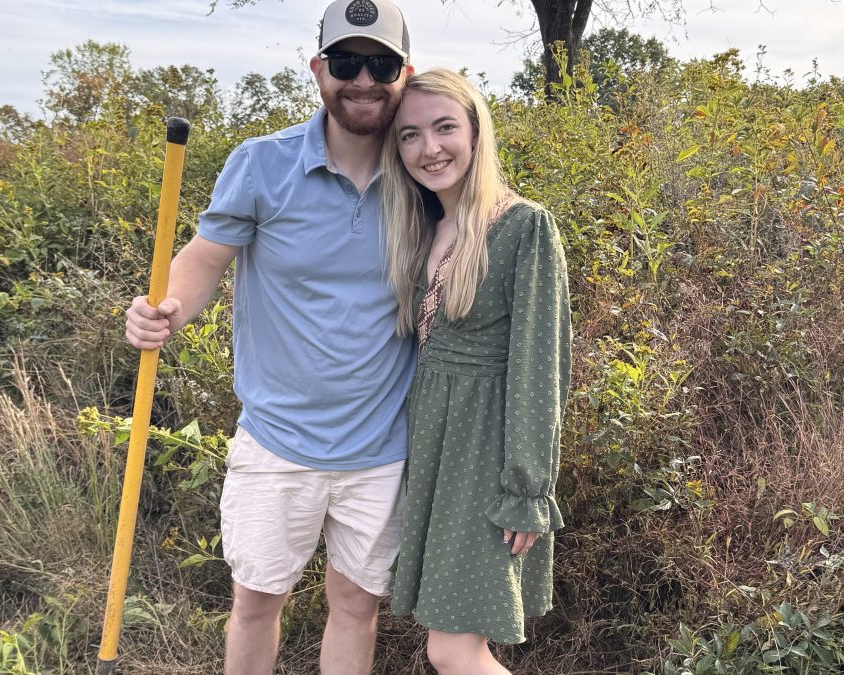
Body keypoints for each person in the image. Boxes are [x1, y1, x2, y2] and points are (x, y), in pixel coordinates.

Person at [123, 2, 416, 673]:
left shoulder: (423, 173)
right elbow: (203, 258)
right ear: (318, 71)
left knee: (357, 606)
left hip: (381, 448)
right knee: (256, 600)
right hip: (277, 440)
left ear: (405, 73)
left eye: (381, 64)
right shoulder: (261, 165)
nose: (363, 79)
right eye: (346, 62)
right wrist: (163, 308)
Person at [379, 69, 572, 674]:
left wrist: (527, 489)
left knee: (453, 648)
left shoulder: (522, 226)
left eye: (444, 128)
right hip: (433, 447)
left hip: (485, 455)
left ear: (475, 132)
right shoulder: (423, 228)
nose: (428, 148)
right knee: (452, 644)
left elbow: (542, 367)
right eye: (410, 135)